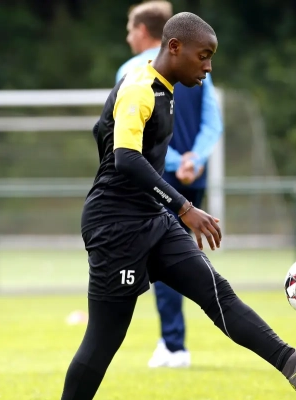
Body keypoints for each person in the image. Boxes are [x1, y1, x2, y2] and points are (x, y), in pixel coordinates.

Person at [60, 12, 296, 400]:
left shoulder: (166, 89)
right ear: (174, 47)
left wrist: (173, 207)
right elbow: (125, 159)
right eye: (204, 56)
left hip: (152, 218)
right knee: (104, 339)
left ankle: (294, 362)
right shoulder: (139, 88)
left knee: (218, 294)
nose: (208, 67)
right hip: (116, 226)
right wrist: (183, 207)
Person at [115, 0, 224, 369]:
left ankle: (173, 345)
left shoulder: (132, 71)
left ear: (144, 31)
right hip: (194, 178)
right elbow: (212, 122)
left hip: (158, 179)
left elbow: (133, 142)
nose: (128, 37)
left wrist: (177, 163)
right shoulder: (198, 65)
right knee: (179, 255)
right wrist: (196, 159)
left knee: (161, 258)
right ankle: (176, 341)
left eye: (130, 30)